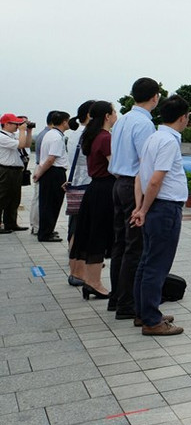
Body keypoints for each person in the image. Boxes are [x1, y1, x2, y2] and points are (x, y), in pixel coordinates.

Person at [130, 95, 191, 336]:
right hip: (164, 208)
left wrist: (139, 207)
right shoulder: (168, 141)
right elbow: (155, 179)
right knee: (157, 265)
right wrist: (143, 209)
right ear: (182, 117)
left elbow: (140, 176)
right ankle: (152, 321)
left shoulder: (153, 137)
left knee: (146, 263)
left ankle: (143, 312)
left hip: (154, 206)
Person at [108, 77, 159, 319]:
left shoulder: (122, 120)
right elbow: (145, 163)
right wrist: (143, 204)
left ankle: (116, 298)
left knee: (120, 243)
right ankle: (127, 304)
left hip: (118, 183)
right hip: (132, 186)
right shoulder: (145, 124)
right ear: (155, 97)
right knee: (135, 246)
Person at [72, 101, 117, 300]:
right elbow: (114, 167)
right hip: (105, 189)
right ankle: (94, 282)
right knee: (99, 236)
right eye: (114, 112)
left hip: (95, 188)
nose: (116, 115)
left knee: (93, 235)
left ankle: (92, 282)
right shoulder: (105, 138)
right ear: (107, 116)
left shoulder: (92, 135)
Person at [65, 100, 95, 284]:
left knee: (75, 228)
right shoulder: (90, 135)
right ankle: (78, 272)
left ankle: (74, 268)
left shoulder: (74, 135)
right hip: (88, 185)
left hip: (76, 184)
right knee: (84, 230)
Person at [34, 110, 70, 242]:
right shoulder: (56, 137)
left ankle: (47, 230)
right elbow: (50, 159)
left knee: (47, 203)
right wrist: (40, 173)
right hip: (54, 172)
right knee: (52, 204)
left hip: (50, 172)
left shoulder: (50, 134)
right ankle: (45, 233)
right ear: (64, 122)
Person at [0, 113, 33, 234]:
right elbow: (20, 144)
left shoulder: (13, 136)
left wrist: (28, 132)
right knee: (2, 197)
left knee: (14, 198)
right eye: (16, 123)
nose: (18, 126)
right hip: (5, 170)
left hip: (16, 170)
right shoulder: (2, 137)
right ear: (7, 124)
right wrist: (22, 130)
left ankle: (11, 223)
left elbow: (27, 145)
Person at [29, 115, 53, 235]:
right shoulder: (48, 135)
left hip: (40, 167)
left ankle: (36, 225)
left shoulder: (44, 133)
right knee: (40, 199)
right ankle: (38, 226)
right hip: (43, 168)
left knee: (38, 198)